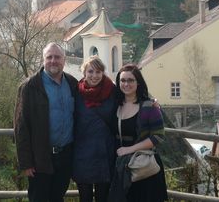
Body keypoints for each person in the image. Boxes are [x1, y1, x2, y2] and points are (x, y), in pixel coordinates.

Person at [13, 42, 78, 202]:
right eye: (49, 57)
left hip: (65, 156)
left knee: (57, 198)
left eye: (57, 57)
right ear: (43, 60)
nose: (53, 61)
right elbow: (21, 126)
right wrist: (26, 163)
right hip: (40, 157)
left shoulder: (72, 83)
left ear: (64, 60)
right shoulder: (30, 86)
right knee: (39, 198)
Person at [111, 64, 168, 202]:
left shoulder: (149, 107)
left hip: (144, 167)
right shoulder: (115, 104)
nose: (126, 84)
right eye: (123, 80)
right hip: (124, 167)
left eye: (131, 80)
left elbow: (158, 137)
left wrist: (129, 149)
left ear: (138, 82)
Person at [72, 56, 117, 202]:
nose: (94, 75)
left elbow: (132, 98)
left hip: (105, 152)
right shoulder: (76, 92)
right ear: (84, 72)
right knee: (84, 198)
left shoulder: (112, 90)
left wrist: (151, 103)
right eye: (90, 71)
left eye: (98, 72)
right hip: (82, 154)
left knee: (102, 197)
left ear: (103, 73)